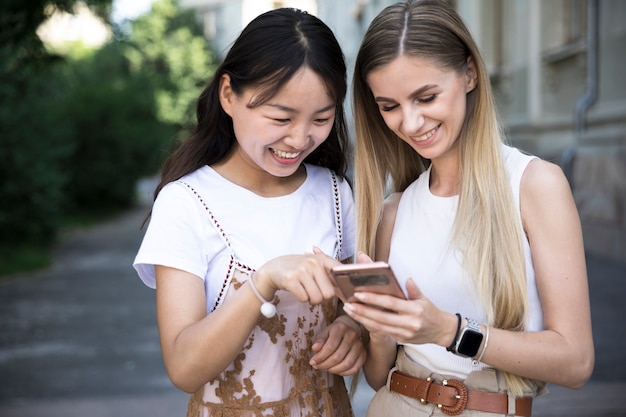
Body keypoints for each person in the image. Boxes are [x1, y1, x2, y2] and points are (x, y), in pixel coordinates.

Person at [344, 0, 595, 416]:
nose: (409, 122)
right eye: (389, 106)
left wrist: (449, 330)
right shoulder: (393, 211)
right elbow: (377, 376)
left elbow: (575, 362)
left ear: (470, 74)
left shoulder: (534, 185)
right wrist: (376, 328)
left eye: (425, 97)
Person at [133, 8, 365, 417]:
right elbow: (184, 367)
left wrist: (351, 329)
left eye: (321, 118)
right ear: (228, 95)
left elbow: (357, 306)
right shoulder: (186, 202)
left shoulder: (333, 193)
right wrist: (265, 280)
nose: (299, 138)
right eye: (280, 117)